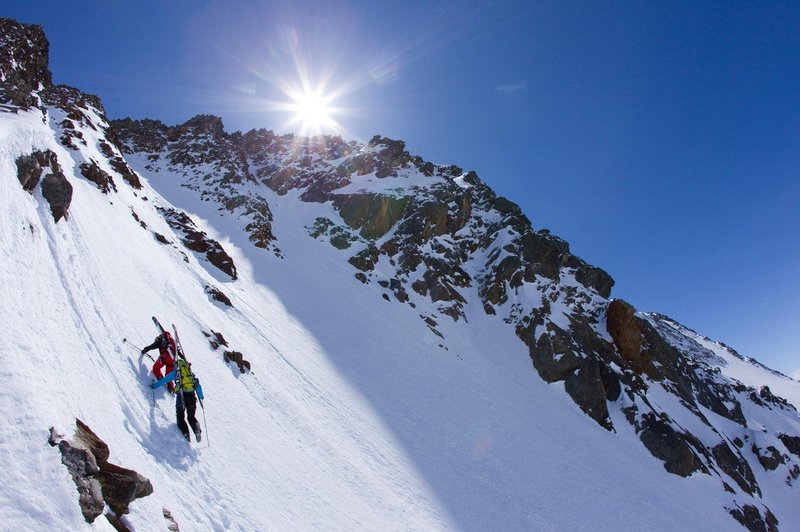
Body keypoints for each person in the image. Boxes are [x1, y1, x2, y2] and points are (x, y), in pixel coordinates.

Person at [150, 358, 204, 442]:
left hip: (181, 396)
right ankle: (197, 430)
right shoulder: (190, 374)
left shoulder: (176, 373)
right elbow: (198, 387)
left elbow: (165, 380)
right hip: (192, 396)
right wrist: (201, 397)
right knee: (191, 417)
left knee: (180, 418)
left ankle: (186, 435)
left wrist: (154, 385)